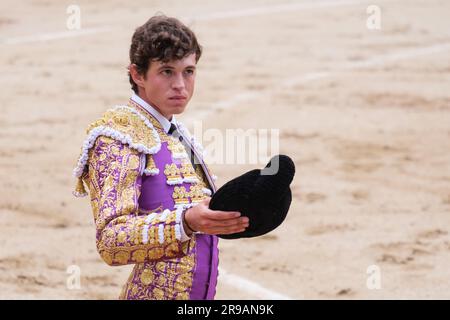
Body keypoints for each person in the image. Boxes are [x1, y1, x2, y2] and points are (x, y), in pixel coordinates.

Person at [72, 15, 249, 300]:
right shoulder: (117, 137)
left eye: (188, 71)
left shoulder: (175, 133)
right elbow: (111, 241)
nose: (180, 84)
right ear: (137, 75)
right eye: (167, 71)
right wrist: (187, 222)